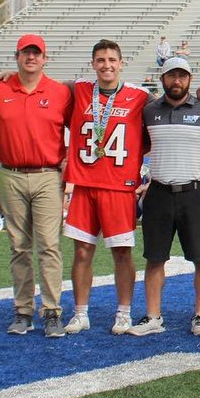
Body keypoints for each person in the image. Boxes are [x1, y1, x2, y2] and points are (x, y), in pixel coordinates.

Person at [0, 33, 74, 337]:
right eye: (26, 52)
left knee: (49, 245)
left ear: (45, 58)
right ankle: (23, 311)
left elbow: (81, 127)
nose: (31, 57)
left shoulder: (60, 92)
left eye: (36, 53)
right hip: (10, 174)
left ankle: (52, 311)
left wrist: (69, 165)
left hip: (48, 175)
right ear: (17, 57)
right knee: (19, 246)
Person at [126, 57, 200, 337]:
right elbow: (141, 145)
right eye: (171, 75)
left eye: (182, 76)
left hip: (194, 194)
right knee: (155, 258)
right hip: (159, 194)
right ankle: (153, 316)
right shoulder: (149, 111)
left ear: (190, 79)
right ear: (163, 79)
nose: (176, 81)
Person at [61, 40, 151, 336]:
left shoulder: (140, 95)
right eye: (100, 60)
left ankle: (124, 312)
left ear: (121, 63)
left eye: (112, 59)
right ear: (93, 64)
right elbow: (50, 86)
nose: (106, 65)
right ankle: (80, 312)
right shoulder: (80, 90)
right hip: (85, 184)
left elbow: (160, 120)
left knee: (122, 253)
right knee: (82, 252)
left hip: (119, 187)